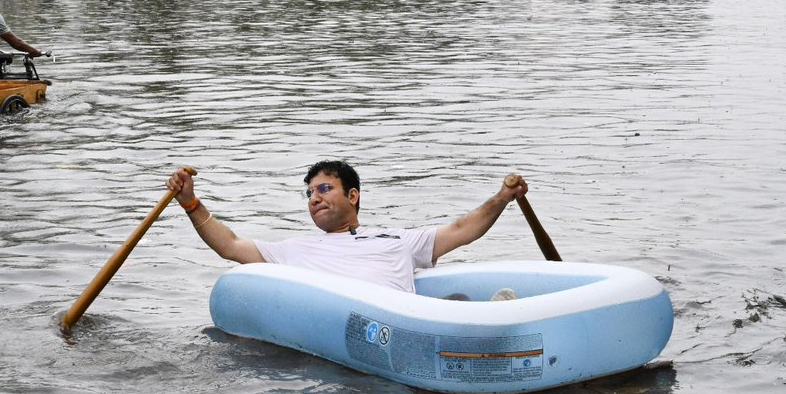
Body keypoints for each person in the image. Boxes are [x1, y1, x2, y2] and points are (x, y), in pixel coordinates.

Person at [165, 161, 528, 293]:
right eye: (309, 193)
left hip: (403, 316)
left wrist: (502, 197)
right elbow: (228, 245)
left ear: (352, 195)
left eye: (324, 189)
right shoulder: (292, 251)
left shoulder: (401, 239)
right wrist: (190, 203)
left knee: (462, 302)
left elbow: (464, 229)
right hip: (352, 319)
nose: (314, 198)